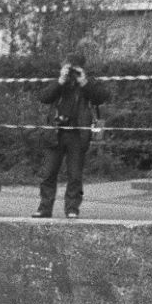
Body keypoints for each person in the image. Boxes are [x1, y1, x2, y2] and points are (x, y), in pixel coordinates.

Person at [34, 53, 109, 219]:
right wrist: (60, 81)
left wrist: (84, 82)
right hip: (55, 132)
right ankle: (44, 208)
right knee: (48, 173)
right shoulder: (58, 81)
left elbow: (101, 98)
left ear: (82, 68)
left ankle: (72, 208)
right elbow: (43, 97)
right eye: (69, 67)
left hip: (78, 134)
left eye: (75, 68)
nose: (72, 73)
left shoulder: (89, 82)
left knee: (75, 175)